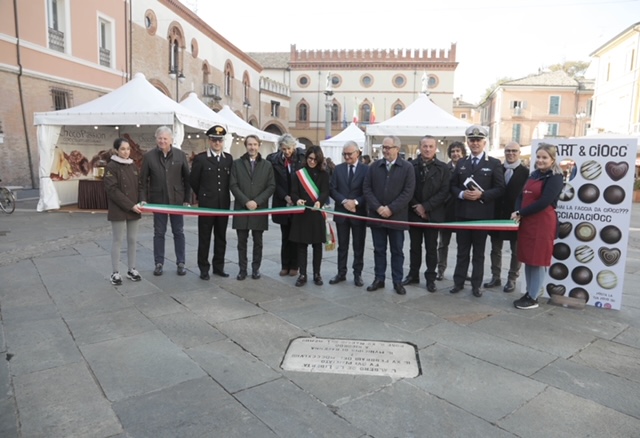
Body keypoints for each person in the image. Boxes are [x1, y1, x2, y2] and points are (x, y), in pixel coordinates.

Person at [449, 125, 505, 297]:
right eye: (471, 140)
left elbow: (500, 188)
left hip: (482, 216)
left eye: (478, 140)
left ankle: (476, 285)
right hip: (463, 214)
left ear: (484, 142)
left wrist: (483, 194)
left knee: (479, 254)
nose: (475, 144)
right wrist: (460, 193)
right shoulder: (461, 163)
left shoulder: (494, 163)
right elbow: (452, 185)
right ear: (468, 142)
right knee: (462, 251)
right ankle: (458, 282)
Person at [511, 143, 563, 309]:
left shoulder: (555, 177)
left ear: (552, 159)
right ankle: (528, 292)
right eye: (538, 157)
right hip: (527, 223)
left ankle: (533, 297)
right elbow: (521, 195)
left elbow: (544, 201)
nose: (540, 160)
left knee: (538, 260)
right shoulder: (533, 175)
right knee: (528, 259)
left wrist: (522, 213)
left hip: (543, 224)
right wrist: (518, 210)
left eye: (544, 157)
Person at [363, 136, 415, 295]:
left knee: (397, 251)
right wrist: (378, 208)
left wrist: (391, 209)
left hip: (397, 217)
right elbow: (367, 189)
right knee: (379, 249)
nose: (385, 150)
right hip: (377, 217)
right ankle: (379, 278)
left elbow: (408, 192)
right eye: (383, 147)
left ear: (397, 149)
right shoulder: (374, 166)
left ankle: (397, 281)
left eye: (388, 147)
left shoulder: (407, 167)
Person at [139, 126, 191, 276]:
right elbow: (142, 181)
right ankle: (159, 263)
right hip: (158, 200)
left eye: (165, 138)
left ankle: (181, 262)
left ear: (171, 140)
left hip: (177, 201)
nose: (162, 141)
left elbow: (187, 179)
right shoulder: (149, 157)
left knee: (178, 232)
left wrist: (187, 199)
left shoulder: (180, 155)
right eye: (160, 138)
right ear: (156, 139)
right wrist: (143, 199)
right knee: (159, 232)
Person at [403, 135, 451, 292]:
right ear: (420, 147)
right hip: (414, 213)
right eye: (425, 146)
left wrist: (426, 207)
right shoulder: (410, 165)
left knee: (431, 248)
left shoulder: (443, 168)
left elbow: (444, 192)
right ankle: (413, 274)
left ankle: (431, 278)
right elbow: (407, 188)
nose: (428, 149)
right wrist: (417, 207)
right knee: (414, 247)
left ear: (435, 148)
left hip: (433, 214)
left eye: (431, 146)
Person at [484, 141, 529, 293]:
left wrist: (522, 212)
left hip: (516, 217)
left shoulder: (526, 172)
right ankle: (495, 276)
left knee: (516, 251)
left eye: (514, 151)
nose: (511, 153)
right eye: (508, 150)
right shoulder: (498, 169)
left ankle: (512, 279)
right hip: (497, 215)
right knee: (495, 249)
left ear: (519, 153)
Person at [189, 124, 233, 280]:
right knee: (205, 237)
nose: (217, 143)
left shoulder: (228, 159)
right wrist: (203, 195)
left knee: (221, 237)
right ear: (209, 140)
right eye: (214, 140)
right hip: (207, 205)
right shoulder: (201, 159)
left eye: (220, 140)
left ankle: (218, 267)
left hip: (223, 205)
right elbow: (194, 181)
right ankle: (203, 268)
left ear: (223, 142)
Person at [229, 135, 275, 280]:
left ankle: (256, 269)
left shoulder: (267, 165)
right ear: (246, 146)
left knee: (258, 242)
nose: (252, 147)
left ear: (259, 145)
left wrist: (257, 202)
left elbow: (271, 186)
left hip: (259, 210)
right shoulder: (237, 164)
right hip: (242, 209)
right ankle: (242, 269)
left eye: (255, 144)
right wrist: (246, 201)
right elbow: (233, 185)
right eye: (250, 144)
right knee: (241, 242)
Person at [289, 146, 330, 286]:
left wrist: (319, 201)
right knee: (302, 246)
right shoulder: (299, 173)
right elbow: (293, 191)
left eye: (315, 159)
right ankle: (302, 274)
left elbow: (325, 191)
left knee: (317, 246)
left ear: (319, 159)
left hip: (316, 213)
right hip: (302, 213)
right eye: (310, 158)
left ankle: (317, 274)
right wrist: (297, 200)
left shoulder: (324, 173)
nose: (312, 161)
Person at [329, 141, 369, 287]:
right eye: (344, 154)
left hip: (358, 214)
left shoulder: (366, 170)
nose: (347, 157)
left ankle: (357, 274)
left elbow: (368, 191)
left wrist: (356, 203)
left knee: (359, 245)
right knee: (342, 245)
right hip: (342, 213)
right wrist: (345, 201)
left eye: (349, 154)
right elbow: (332, 189)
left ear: (357, 153)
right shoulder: (338, 169)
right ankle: (341, 272)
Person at [104, 138, 143, 285]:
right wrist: (130, 205)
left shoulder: (133, 166)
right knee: (118, 240)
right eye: (123, 149)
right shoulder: (111, 167)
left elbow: (140, 186)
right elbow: (112, 190)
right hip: (119, 208)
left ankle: (131, 269)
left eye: (128, 149)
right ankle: (115, 272)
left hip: (134, 207)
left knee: (132, 239)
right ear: (116, 150)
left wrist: (141, 200)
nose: (126, 152)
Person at [267, 134, 306, 277]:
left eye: (289, 149)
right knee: (285, 235)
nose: (286, 152)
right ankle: (285, 265)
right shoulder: (275, 160)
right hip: (283, 200)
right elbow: (274, 181)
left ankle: (295, 266)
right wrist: (285, 196)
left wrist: (295, 198)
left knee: (295, 235)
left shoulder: (302, 157)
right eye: (283, 149)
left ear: (294, 146)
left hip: (297, 201)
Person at [436, 141, 467, 280]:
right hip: (447, 210)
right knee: (443, 243)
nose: (455, 154)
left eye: (458, 151)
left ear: (463, 153)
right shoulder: (444, 168)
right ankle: (440, 269)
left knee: (464, 245)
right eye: (453, 151)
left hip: (463, 210)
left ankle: (462, 271)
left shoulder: (468, 167)